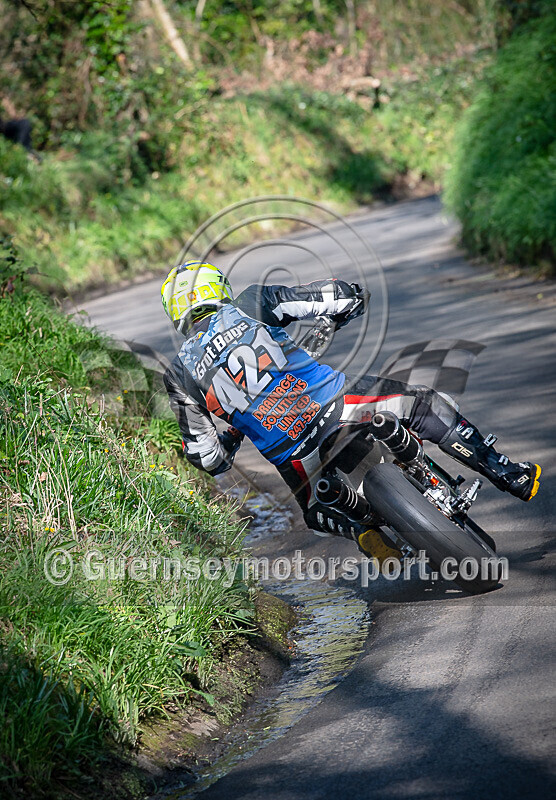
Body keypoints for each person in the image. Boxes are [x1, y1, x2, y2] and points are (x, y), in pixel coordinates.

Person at [162, 262, 541, 562]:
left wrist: (230, 436)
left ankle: (363, 530)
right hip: (339, 404)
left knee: (315, 512)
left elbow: (207, 457)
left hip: (294, 457)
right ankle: (506, 471)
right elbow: (335, 296)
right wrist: (346, 304)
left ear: (177, 313)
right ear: (219, 288)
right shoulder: (252, 302)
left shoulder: (179, 373)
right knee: (425, 404)